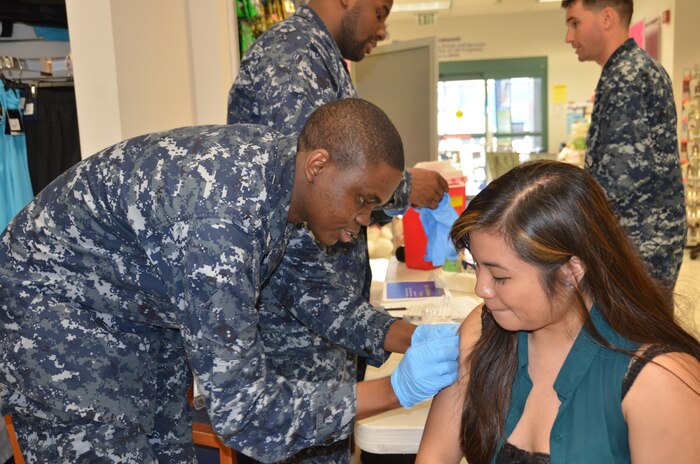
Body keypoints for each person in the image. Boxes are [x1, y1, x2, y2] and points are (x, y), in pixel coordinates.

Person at [0, 99, 460, 464]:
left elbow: (307, 290)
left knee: (167, 446)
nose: (363, 220)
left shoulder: (286, 177)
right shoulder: (223, 223)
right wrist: (397, 390)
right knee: (105, 447)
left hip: (130, 312)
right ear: (318, 165)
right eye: (362, 200)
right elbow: (245, 414)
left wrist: (411, 337)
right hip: (53, 314)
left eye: (374, 206)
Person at [228, 1, 453, 462]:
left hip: (316, 321)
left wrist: (403, 336)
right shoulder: (291, 62)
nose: (383, 29)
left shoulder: (320, 57)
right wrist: (398, 384)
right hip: (292, 343)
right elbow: (311, 230)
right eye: (380, 9)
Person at [415, 160, 700, 464]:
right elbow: (434, 457)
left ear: (571, 272)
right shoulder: (482, 330)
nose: (481, 290)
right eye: (476, 267)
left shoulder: (660, 380)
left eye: (500, 277)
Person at [562, 0, 687, 289]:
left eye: (575, 23)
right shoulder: (632, 67)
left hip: (638, 247)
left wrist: (570, 216)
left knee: (637, 334)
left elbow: (621, 176)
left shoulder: (625, 75)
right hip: (644, 242)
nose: (569, 37)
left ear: (606, 18)